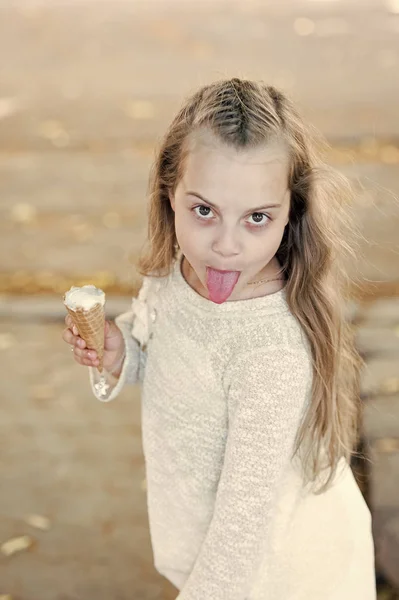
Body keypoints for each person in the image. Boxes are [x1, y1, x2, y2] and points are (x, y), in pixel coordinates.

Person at [62, 78, 376, 599]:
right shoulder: (175, 273)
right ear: (171, 193)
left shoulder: (269, 354)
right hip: (207, 559)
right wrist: (122, 355)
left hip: (282, 578)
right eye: (203, 210)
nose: (225, 246)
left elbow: (241, 535)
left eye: (257, 218)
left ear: (290, 213)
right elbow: (169, 362)